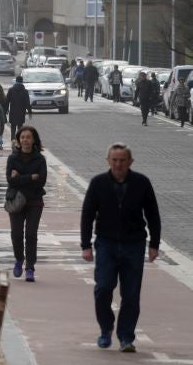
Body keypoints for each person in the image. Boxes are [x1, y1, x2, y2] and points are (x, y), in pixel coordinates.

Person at [81, 143, 161, 353]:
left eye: (122, 160)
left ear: (130, 162)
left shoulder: (141, 183)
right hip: (106, 243)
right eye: (114, 160)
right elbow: (87, 214)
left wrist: (154, 244)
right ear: (108, 161)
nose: (118, 164)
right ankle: (106, 328)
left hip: (134, 244)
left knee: (131, 294)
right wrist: (85, 245)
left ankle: (126, 337)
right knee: (103, 288)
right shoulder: (98, 183)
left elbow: (153, 214)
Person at [6, 125, 47, 282]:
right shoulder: (12, 158)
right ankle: (18, 260)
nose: (25, 140)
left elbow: (41, 182)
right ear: (18, 140)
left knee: (31, 234)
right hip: (16, 200)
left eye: (28, 137)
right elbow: (10, 180)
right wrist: (31, 177)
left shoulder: (40, 159)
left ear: (33, 140)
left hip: (34, 201)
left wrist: (20, 177)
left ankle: (30, 266)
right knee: (16, 234)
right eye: (22, 137)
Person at [5, 76, 32, 141]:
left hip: (13, 111)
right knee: (20, 126)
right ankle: (20, 139)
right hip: (21, 112)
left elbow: (7, 101)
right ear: (22, 81)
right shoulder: (25, 91)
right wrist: (30, 112)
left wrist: (6, 110)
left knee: (13, 127)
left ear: (16, 81)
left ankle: (13, 140)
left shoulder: (11, 90)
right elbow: (27, 103)